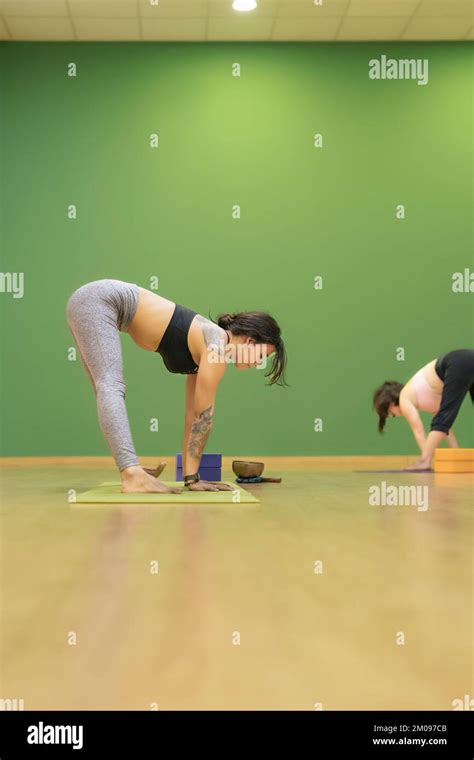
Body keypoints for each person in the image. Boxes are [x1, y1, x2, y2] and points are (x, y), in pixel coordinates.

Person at [66, 279, 287, 492]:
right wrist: (192, 478)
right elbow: (204, 420)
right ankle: (131, 473)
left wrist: (191, 478)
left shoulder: (209, 351)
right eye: (262, 355)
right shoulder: (216, 349)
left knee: (106, 388)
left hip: (93, 301)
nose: (259, 362)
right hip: (100, 300)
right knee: (110, 386)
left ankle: (130, 468)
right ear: (250, 341)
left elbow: (193, 417)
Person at [373, 349, 474, 470]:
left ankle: (424, 461)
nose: (395, 416)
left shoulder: (404, 397)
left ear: (390, 405)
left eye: (391, 414)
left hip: (457, 362)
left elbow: (419, 431)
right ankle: (426, 460)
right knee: (443, 420)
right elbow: (445, 427)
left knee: (442, 419)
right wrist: (456, 454)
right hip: (466, 358)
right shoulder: (425, 396)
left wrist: (426, 459)